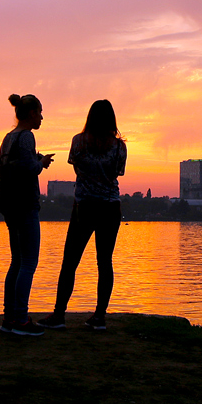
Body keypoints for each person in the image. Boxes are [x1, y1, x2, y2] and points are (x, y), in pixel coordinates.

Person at [40, 100, 128, 331]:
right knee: (104, 262)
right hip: (110, 206)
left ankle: (59, 315)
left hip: (85, 206)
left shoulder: (78, 142)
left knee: (70, 261)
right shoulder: (119, 147)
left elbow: (77, 169)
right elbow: (118, 172)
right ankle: (99, 316)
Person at [0, 93, 54, 336]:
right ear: (31, 114)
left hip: (9, 205)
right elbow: (31, 169)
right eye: (40, 112)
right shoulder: (27, 137)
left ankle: (8, 317)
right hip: (26, 205)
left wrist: (35, 161)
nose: (42, 117)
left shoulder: (8, 138)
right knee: (29, 262)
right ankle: (21, 319)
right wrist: (41, 162)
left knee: (16, 262)